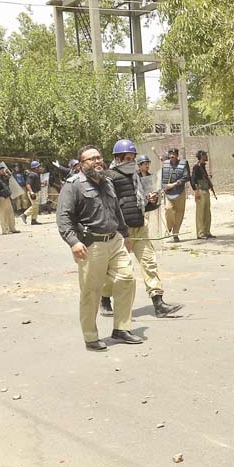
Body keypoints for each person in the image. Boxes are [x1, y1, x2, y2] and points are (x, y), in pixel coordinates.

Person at [56, 145, 142, 351]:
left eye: (99, 157)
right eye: (91, 159)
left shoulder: (107, 182)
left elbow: (116, 211)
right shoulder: (73, 185)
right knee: (90, 291)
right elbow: (63, 217)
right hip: (91, 244)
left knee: (127, 279)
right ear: (81, 164)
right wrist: (73, 242)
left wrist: (126, 234)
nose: (97, 161)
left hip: (115, 240)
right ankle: (90, 336)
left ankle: (121, 328)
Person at [99, 140, 183, 319]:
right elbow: (108, 206)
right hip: (121, 231)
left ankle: (158, 303)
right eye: (128, 158)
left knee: (149, 263)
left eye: (133, 158)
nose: (132, 162)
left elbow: (143, 204)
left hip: (140, 227)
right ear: (118, 158)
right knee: (114, 269)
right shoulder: (109, 177)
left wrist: (151, 201)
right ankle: (105, 298)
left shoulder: (137, 176)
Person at [161, 147, 190, 242]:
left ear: (177, 155)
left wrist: (174, 184)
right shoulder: (165, 165)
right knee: (168, 209)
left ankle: (175, 233)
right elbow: (162, 178)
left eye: (174, 154)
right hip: (168, 193)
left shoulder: (184, 164)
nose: (172, 156)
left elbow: (186, 177)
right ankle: (169, 227)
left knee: (179, 213)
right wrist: (163, 187)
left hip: (180, 191)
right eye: (171, 154)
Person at [191, 150, 216, 239]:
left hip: (205, 190)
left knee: (207, 213)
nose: (206, 156)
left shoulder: (202, 166)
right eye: (205, 155)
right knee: (200, 213)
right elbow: (193, 180)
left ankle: (207, 231)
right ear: (201, 156)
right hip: (200, 191)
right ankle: (201, 233)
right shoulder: (196, 167)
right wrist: (196, 191)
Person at [0, 163, 19, 235]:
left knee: (10, 213)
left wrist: (7, 175)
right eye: (1, 170)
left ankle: (12, 228)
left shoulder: (2, 177)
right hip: (0, 197)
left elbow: (7, 183)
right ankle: (4, 230)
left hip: (6, 197)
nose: (3, 171)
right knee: (3, 214)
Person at [22, 160, 43, 225]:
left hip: (36, 192)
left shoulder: (36, 174)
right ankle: (24, 215)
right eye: (39, 166)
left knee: (36, 206)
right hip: (32, 193)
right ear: (35, 168)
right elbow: (28, 184)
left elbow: (35, 183)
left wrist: (42, 183)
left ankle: (34, 220)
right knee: (35, 205)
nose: (40, 168)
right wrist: (31, 192)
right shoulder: (31, 175)